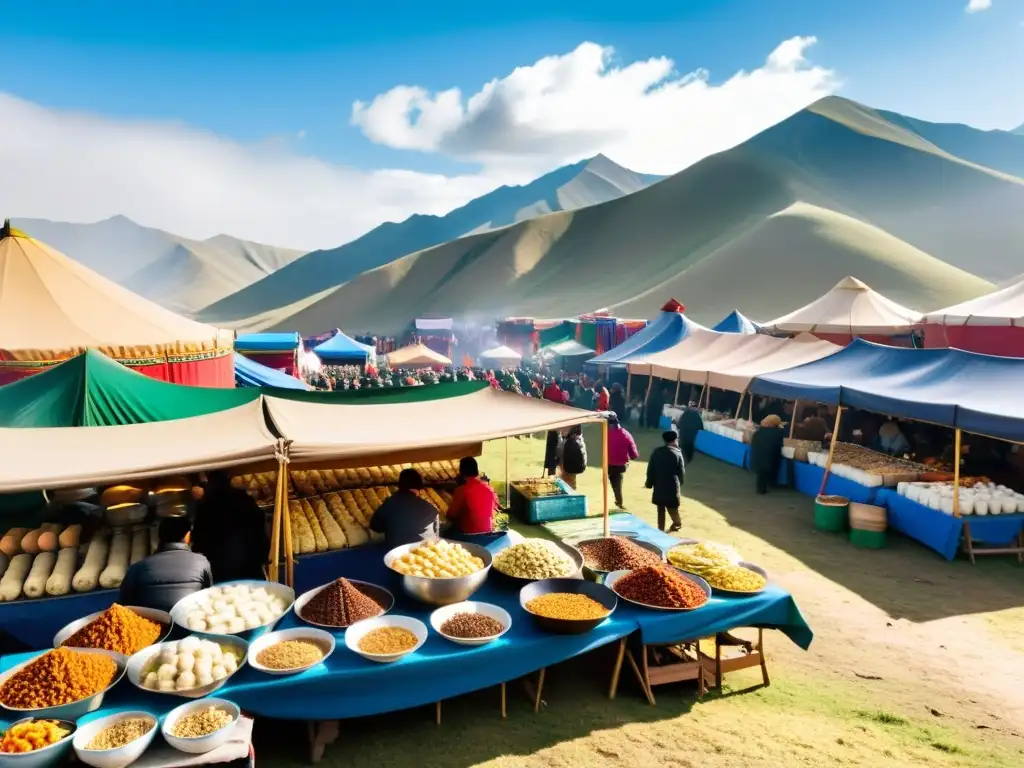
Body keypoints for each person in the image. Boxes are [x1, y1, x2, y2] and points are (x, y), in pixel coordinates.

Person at [119, 516, 213, 612]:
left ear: (160, 537)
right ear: (187, 536)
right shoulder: (201, 561)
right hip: (189, 620)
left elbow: (125, 603)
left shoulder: (137, 568)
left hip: (153, 623)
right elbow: (209, 595)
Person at [190, 469, 269, 583]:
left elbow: (198, 540)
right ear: (228, 479)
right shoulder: (244, 499)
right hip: (249, 564)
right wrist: (263, 555)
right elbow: (259, 525)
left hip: (220, 568)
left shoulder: (205, 506)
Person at [369, 469, 440, 549]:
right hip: (423, 553)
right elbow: (435, 536)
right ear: (419, 487)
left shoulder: (389, 503)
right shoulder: (431, 509)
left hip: (395, 552)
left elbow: (375, 527)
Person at [446, 457, 499, 534]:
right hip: (488, 531)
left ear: (461, 472)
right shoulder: (489, 488)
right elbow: (493, 512)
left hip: (468, 533)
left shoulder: (462, 490)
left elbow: (451, 515)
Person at [646, 430, 685, 532]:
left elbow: (651, 469)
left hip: (659, 483)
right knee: (672, 507)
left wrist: (649, 483)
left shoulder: (657, 452)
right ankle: (677, 523)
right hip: (672, 484)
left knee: (660, 509)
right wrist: (680, 483)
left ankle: (660, 529)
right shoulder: (677, 453)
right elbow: (681, 471)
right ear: (675, 440)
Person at [607, 413, 639, 509]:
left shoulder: (607, 434)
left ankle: (618, 500)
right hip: (621, 464)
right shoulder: (626, 434)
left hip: (609, 463)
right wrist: (632, 456)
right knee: (616, 481)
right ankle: (619, 500)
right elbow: (633, 450)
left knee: (613, 480)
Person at [750, 414, 786, 494]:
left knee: (761, 474)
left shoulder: (757, 433)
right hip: (770, 462)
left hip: (756, 460)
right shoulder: (779, 433)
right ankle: (771, 483)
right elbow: (779, 445)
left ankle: (762, 488)